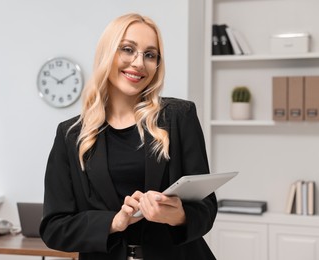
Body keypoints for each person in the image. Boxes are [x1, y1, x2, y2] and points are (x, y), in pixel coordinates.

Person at [40, 13, 217, 260]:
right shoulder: (71, 135)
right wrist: (115, 221)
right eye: (127, 49)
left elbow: (207, 209)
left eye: (150, 55)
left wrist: (177, 215)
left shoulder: (179, 117)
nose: (138, 63)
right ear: (107, 53)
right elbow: (54, 228)